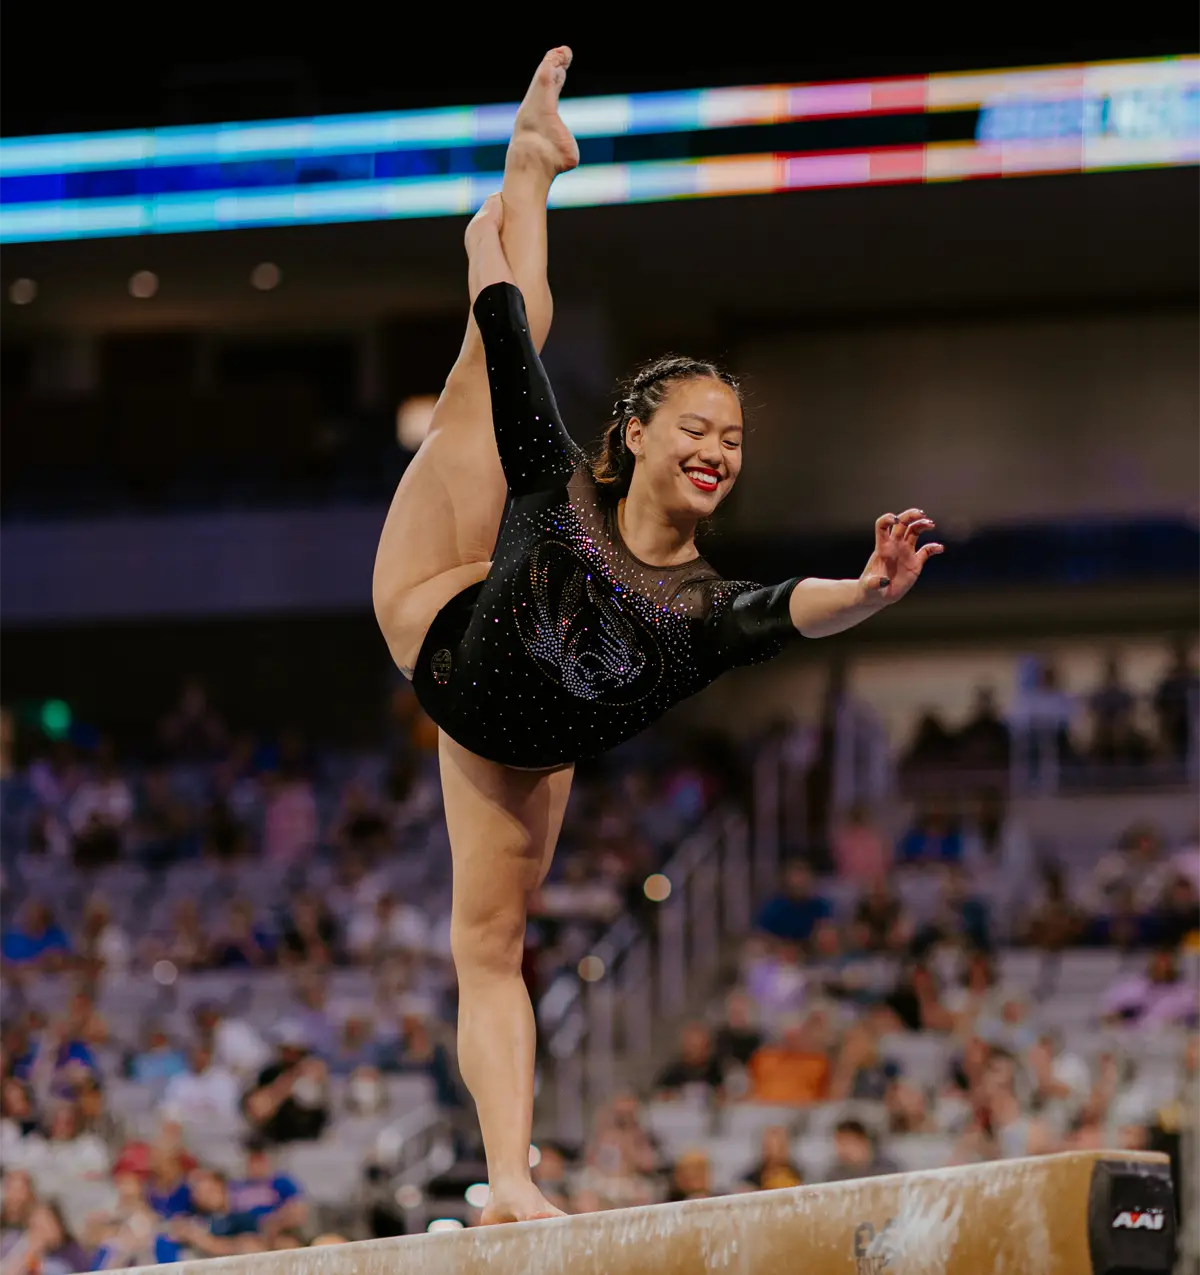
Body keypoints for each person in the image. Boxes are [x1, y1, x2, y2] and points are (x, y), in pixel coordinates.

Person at [370, 48, 942, 1224]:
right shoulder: (559, 489)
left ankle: (510, 1181)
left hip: (513, 743)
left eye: (733, 439)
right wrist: (488, 251)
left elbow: (789, 607)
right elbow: (506, 330)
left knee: (494, 946)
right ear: (634, 434)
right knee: (494, 356)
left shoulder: (696, 613)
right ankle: (531, 164)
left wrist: (870, 592)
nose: (718, 450)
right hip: (438, 604)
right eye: (696, 427)